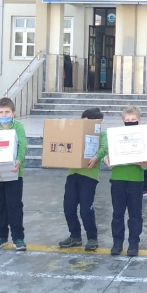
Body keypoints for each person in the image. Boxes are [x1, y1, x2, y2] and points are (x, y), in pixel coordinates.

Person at [98, 106, 147, 257]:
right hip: (118, 177)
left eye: (133, 120)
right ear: (123, 121)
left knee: (135, 214)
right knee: (117, 213)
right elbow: (104, 152)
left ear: (140, 120)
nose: (130, 122)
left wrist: (146, 163)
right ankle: (117, 243)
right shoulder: (115, 135)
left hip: (136, 179)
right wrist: (106, 159)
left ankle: (133, 243)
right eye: (127, 120)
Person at [0, 98, 28, 251]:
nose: (4, 114)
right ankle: (0, 236)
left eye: (7, 112)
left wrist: (19, 161)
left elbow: (22, 145)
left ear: (13, 113)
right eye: (1, 112)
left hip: (13, 171)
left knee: (14, 205)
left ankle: (18, 237)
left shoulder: (18, 126)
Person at [59, 107, 103, 251]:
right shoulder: (76, 134)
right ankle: (75, 236)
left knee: (86, 209)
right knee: (68, 207)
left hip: (89, 176)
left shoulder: (102, 135)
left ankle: (92, 237)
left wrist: (96, 157)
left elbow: (105, 148)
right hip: (73, 174)